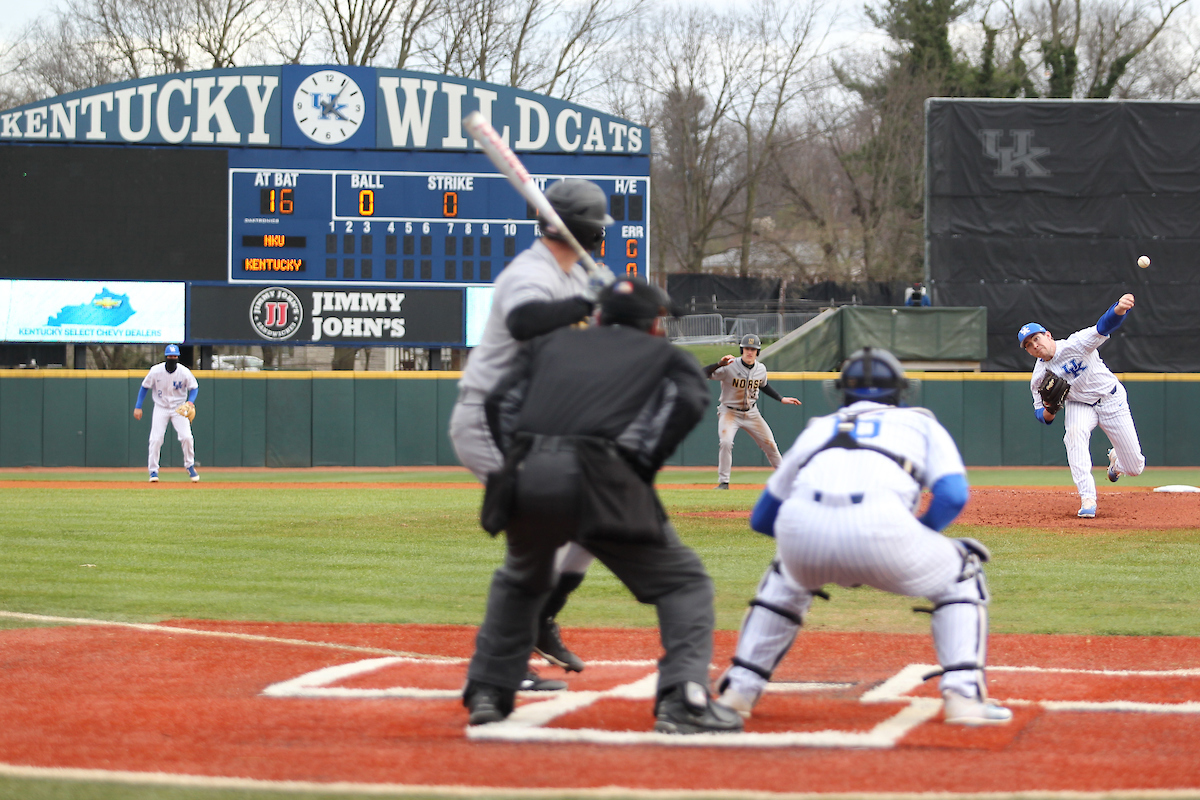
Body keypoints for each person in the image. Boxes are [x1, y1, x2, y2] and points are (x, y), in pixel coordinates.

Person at [464, 278, 742, 735]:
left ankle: (489, 691)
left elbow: (496, 400)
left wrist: (519, 456)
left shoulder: (550, 344)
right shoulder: (666, 355)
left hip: (529, 473)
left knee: (521, 579)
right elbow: (691, 399)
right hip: (603, 475)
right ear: (653, 324)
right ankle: (683, 699)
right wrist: (642, 463)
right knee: (683, 583)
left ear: (598, 315)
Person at [715, 347, 1012, 727]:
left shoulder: (819, 427)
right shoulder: (920, 423)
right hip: (886, 529)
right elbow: (952, 495)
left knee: (784, 573)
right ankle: (964, 696)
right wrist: (905, 539)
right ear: (901, 391)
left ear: (841, 392)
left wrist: (815, 547)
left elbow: (762, 518)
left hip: (804, 530)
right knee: (964, 570)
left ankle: (739, 689)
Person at [449, 179, 612, 681]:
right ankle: (502, 660)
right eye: (598, 232)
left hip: (535, 424)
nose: (602, 241)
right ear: (584, 231)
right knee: (537, 537)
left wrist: (622, 307)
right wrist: (589, 303)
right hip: (490, 419)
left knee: (593, 523)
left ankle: (540, 619)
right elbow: (524, 320)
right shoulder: (533, 272)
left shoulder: (574, 278)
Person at [1018, 293, 1145, 518]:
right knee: (1074, 434)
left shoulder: (1076, 343)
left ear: (1048, 335)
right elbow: (1042, 416)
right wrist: (1050, 408)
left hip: (1110, 398)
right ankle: (1087, 497)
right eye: (1028, 345)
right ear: (1028, 351)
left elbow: (1103, 327)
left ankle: (1117, 464)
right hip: (1079, 405)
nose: (1034, 345)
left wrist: (1118, 309)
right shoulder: (1038, 377)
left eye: (1036, 339)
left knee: (1135, 468)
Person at [704, 333, 801, 490]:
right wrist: (718, 364)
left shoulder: (761, 369)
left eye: (753, 349)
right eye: (747, 349)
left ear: (757, 352)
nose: (750, 352)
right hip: (729, 412)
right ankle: (724, 482)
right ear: (742, 350)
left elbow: (764, 386)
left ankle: (787, 480)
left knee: (770, 445)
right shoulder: (729, 366)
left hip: (751, 413)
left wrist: (780, 398)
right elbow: (703, 374)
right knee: (726, 442)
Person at [133, 344, 199, 483]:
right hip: (161, 407)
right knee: (156, 439)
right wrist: (138, 406)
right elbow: (144, 387)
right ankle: (153, 471)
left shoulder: (184, 372)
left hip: (179, 407)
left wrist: (191, 402)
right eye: (170, 356)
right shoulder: (155, 371)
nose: (172, 358)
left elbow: (194, 388)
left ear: (178, 357)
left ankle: (190, 466)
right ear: (166, 357)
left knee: (187, 437)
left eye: (175, 356)